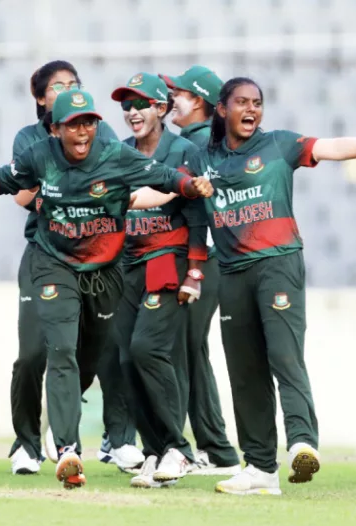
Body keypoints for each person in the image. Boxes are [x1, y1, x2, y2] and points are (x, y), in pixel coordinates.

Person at [0, 89, 213, 489]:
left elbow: (163, 176)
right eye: (74, 124)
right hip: (54, 264)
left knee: (95, 358)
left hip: (106, 272)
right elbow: (0, 182)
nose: (83, 130)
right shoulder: (39, 156)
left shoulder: (115, 155)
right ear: (55, 129)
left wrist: (190, 187)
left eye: (89, 122)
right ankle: (68, 448)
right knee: (61, 350)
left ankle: (156, 446)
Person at [182, 77, 356, 496]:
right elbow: (165, 187)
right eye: (241, 102)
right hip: (233, 271)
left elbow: (332, 147)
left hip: (278, 264)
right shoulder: (202, 159)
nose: (251, 109)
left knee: (283, 355)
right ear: (221, 109)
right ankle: (259, 469)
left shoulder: (279, 144)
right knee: (244, 371)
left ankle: (302, 442)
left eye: (257, 102)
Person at [6, 60, 142, 476]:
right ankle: (26, 442)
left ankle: (107, 438)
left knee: (102, 351)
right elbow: (20, 195)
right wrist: (61, 196)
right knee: (32, 353)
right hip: (46, 256)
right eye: (57, 86)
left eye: (73, 84)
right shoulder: (30, 140)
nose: (66, 90)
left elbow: (122, 189)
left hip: (98, 261)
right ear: (41, 99)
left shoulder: (99, 135)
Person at [108, 73, 207, 488]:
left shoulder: (183, 150)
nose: (133, 112)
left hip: (169, 260)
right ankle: (155, 450)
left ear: (161, 109)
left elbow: (198, 212)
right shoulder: (119, 151)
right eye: (127, 105)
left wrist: (196, 271)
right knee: (127, 360)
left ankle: (179, 450)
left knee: (147, 348)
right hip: (128, 262)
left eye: (141, 104)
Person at [158, 64, 241, 474]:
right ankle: (214, 448)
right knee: (191, 351)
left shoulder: (193, 144)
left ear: (200, 103)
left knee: (185, 350)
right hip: (211, 258)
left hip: (203, 259)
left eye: (179, 94)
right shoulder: (204, 142)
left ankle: (210, 448)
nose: (172, 99)